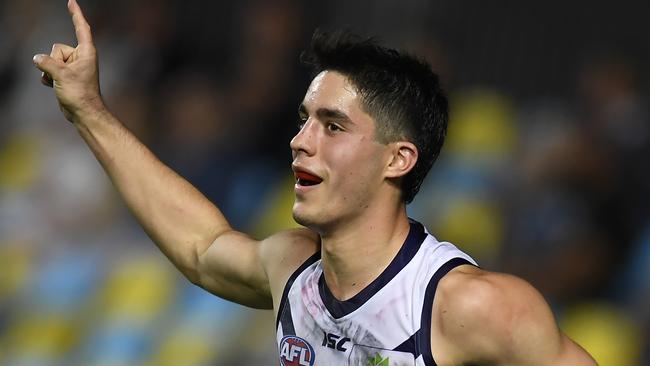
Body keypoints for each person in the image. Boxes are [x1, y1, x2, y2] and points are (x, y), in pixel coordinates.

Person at [33, 1, 597, 365]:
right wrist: (88, 110)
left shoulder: (469, 306)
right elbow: (201, 248)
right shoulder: (292, 269)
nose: (301, 140)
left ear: (398, 160)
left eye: (332, 125)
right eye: (304, 119)